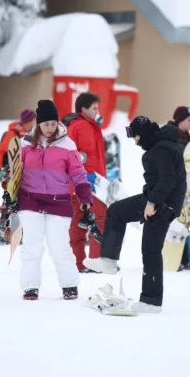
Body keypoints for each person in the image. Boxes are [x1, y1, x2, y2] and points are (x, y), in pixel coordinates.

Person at [83, 117, 187, 313]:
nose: (135, 141)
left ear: (144, 134)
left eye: (136, 136)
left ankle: (151, 301)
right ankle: (109, 260)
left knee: (151, 250)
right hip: (158, 200)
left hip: (162, 204)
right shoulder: (160, 145)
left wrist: (153, 203)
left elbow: (168, 180)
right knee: (116, 211)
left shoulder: (162, 148)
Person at [18, 100, 93, 300]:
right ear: (38, 124)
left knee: (59, 246)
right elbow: (15, 171)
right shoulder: (26, 143)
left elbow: (78, 173)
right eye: (46, 124)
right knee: (32, 246)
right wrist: (8, 185)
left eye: (53, 123)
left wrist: (85, 195)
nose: (50, 128)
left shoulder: (68, 145)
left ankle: (69, 284)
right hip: (30, 200)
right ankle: (30, 287)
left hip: (58, 201)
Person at [63, 92, 107, 273]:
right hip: (89, 183)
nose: (97, 111)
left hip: (77, 184)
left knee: (77, 222)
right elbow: (78, 157)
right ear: (83, 109)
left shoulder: (78, 126)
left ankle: (78, 263)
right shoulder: (82, 127)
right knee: (100, 219)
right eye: (94, 108)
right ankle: (96, 262)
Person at [0, 108, 36, 243]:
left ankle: (17, 231)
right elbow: (0, 152)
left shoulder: (32, 134)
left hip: (25, 174)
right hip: (9, 174)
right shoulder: (12, 134)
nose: (35, 122)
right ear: (28, 121)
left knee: (22, 202)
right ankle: (3, 230)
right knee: (9, 200)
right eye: (34, 120)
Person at [166, 105, 190, 270]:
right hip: (169, 187)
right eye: (189, 120)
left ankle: (185, 258)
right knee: (171, 221)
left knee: (185, 220)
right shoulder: (167, 137)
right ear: (180, 120)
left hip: (186, 188)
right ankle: (170, 256)